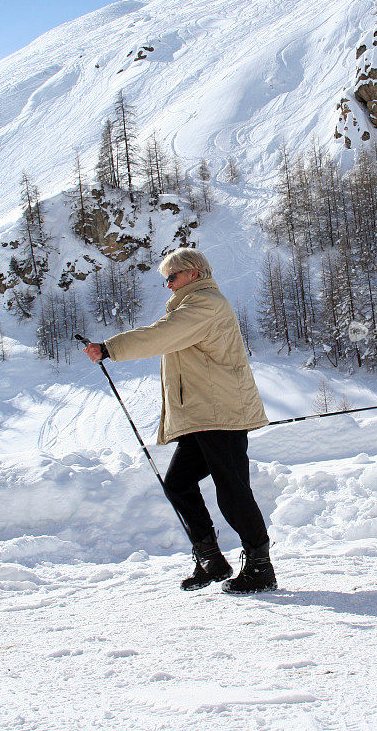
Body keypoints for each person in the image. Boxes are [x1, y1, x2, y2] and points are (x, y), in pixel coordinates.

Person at [84, 248, 277, 594]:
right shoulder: (192, 307)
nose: (168, 285)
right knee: (178, 483)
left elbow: (160, 336)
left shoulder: (205, 305)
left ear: (193, 273)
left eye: (171, 277)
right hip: (204, 414)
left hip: (221, 414)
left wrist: (111, 348)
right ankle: (211, 559)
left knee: (232, 490)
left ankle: (260, 568)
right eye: (166, 279)